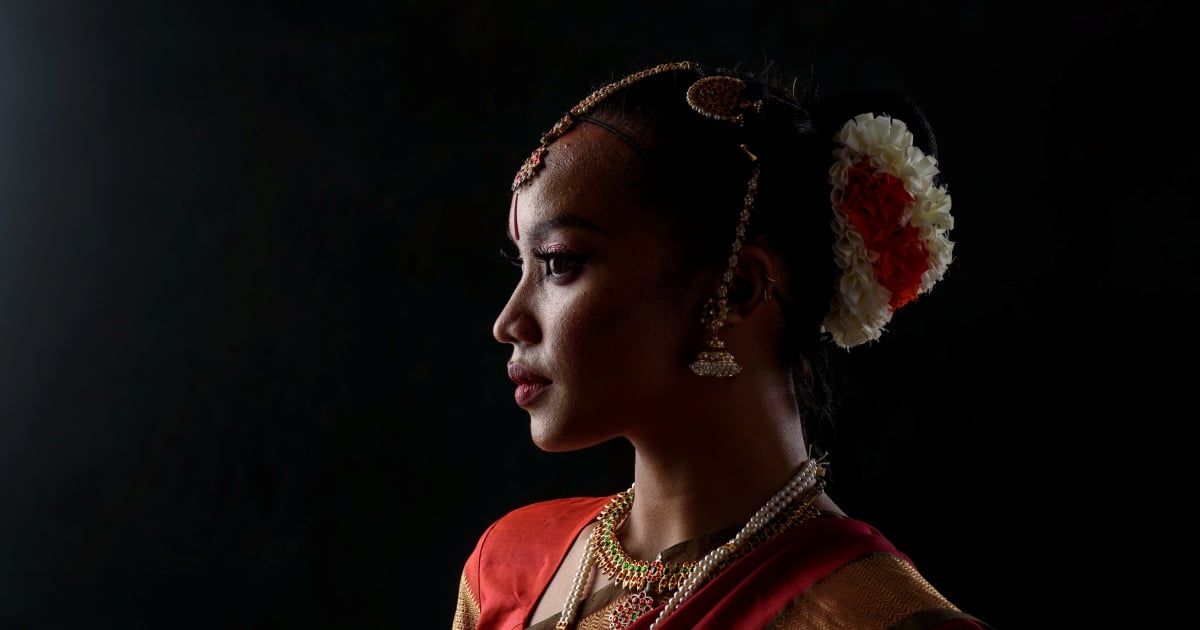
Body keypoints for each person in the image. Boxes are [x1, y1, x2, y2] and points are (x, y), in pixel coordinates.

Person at [452, 59, 992, 630]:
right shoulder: (507, 569)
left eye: (560, 263)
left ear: (737, 288)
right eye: (522, 265)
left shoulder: (872, 617)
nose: (508, 321)